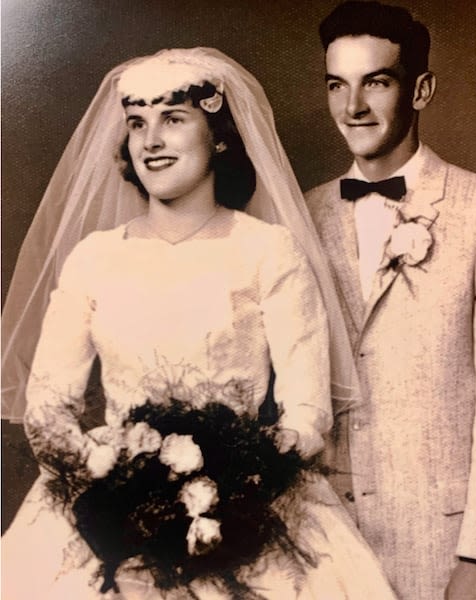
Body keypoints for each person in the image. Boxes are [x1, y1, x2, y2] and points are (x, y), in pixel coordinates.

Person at [0, 48, 397, 598]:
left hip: (245, 509)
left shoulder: (267, 251)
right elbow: (48, 406)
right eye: (137, 124)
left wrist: (235, 480)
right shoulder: (94, 257)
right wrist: (111, 478)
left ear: (220, 137)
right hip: (106, 507)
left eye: (174, 120)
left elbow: (308, 412)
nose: (151, 141)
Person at [302, 2, 476, 597]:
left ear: (421, 89)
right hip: (321, 542)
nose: (353, 107)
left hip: (440, 546)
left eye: (376, 82)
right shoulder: (300, 216)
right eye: (338, 85)